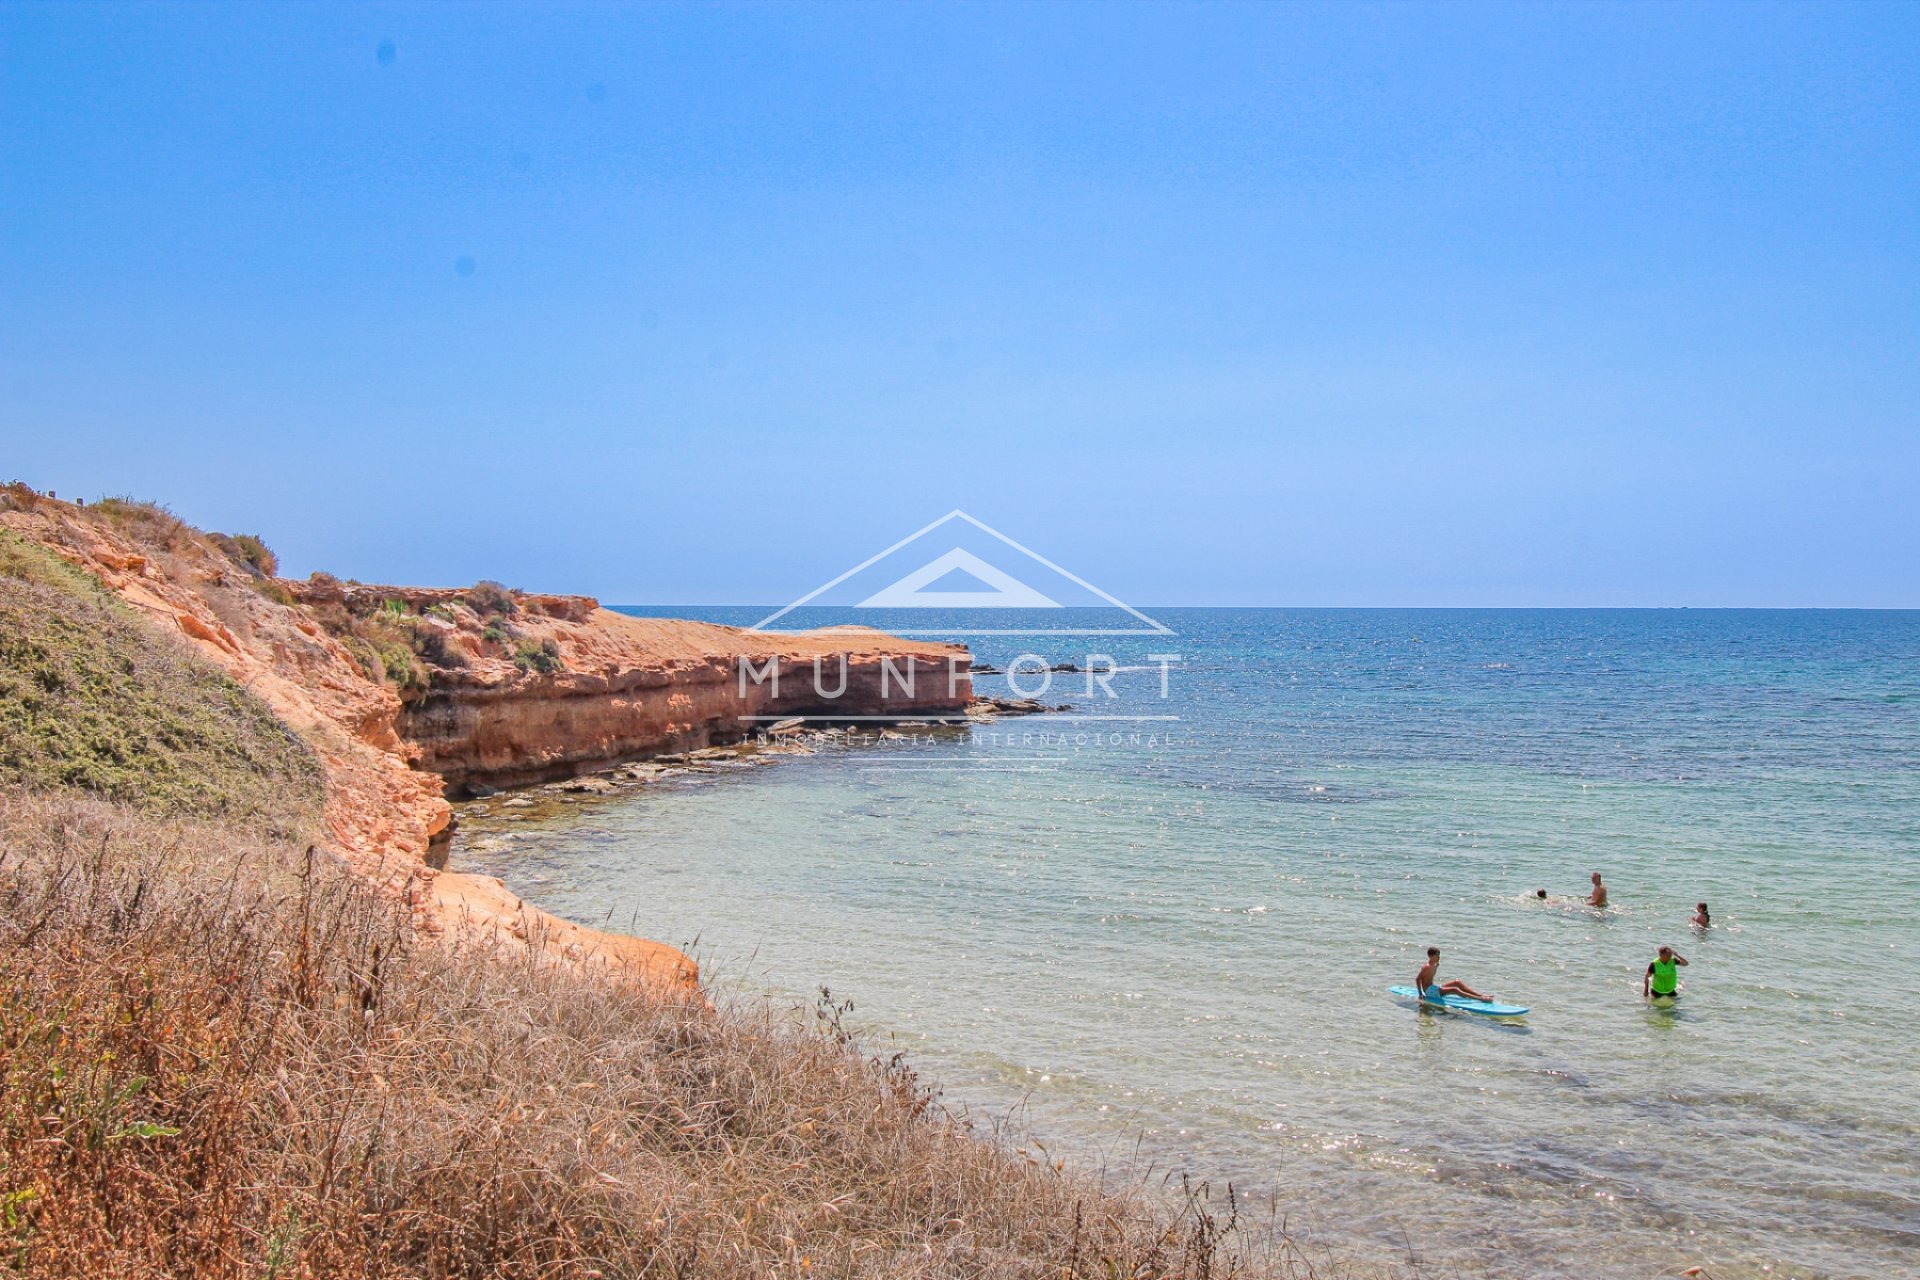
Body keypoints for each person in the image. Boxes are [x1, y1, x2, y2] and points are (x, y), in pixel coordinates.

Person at [1416, 947, 1493, 1003]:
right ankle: (1480, 999)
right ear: (1431, 956)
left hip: (1434, 988)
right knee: (1454, 989)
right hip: (1430, 992)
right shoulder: (1427, 967)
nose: (1439, 957)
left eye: (1439, 955)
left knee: (1457, 982)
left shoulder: (1436, 964)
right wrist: (1420, 994)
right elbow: (1418, 979)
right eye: (1437, 955)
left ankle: (1480, 995)